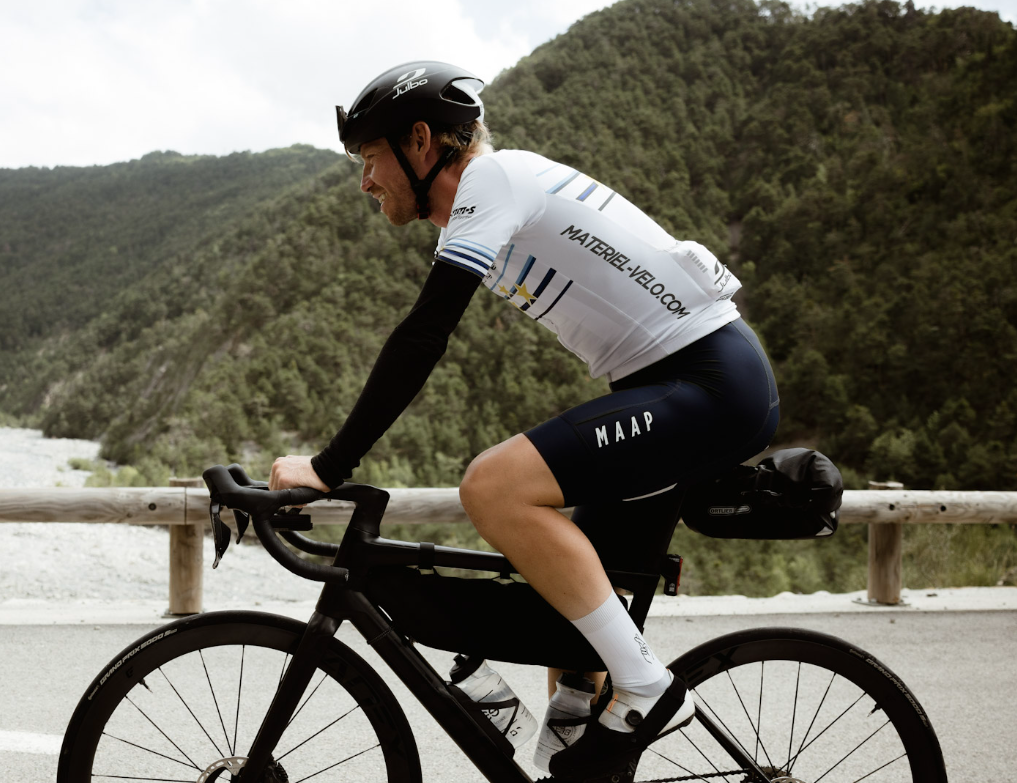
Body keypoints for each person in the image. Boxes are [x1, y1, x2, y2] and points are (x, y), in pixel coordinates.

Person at [268, 61, 779, 781]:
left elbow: (424, 335)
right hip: (687, 382)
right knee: (566, 619)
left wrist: (329, 466)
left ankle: (646, 689)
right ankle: (580, 718)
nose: (365, 182)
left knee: (494, 486)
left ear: (421, 143)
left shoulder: (493, 181)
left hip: (709, 382)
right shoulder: (496, 193)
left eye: (371, 159)